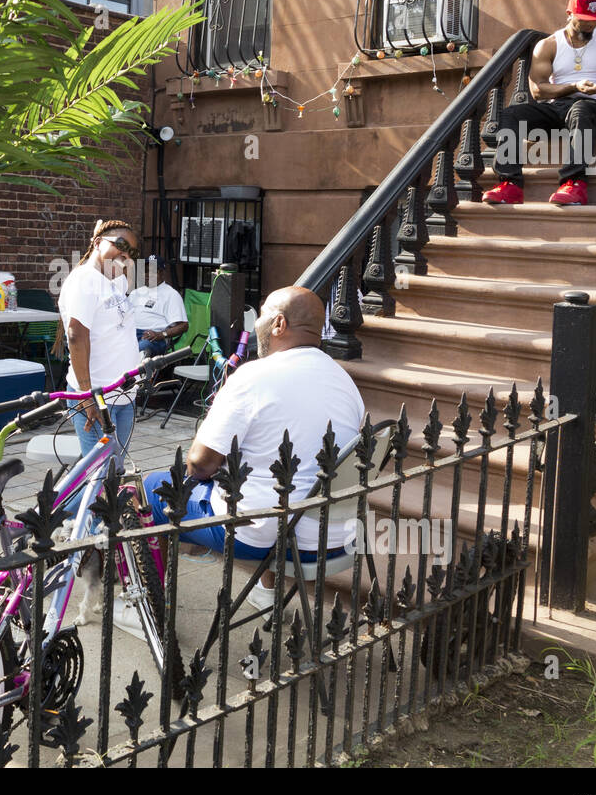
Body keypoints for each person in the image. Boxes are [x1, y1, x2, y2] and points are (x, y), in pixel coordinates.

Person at [143, 286, 366, 603]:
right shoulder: (344, 381)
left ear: (278, 324)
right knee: (269, 476)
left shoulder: (253, 376)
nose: (255, 323)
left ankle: (150, 603)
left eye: (261, 314)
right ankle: (266, 591)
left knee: (152, 489)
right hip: (337, 537)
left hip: (264, 536)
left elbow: (199, 465)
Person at [481, 0, 596, 207]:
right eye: (584, 19)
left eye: (595, 18)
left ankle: (574, 183)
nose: (591, 23)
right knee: (511, 115)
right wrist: (574, 86)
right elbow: (537, 90)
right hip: (557, 109)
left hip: (593, 111)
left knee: (581, 108)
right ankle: (510, 185)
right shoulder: (549, 45)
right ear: (569, 14)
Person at [58, 219, 142, 466]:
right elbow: (75, 336)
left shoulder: (117, 282)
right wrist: (86, 396)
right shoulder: (84, 280)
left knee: (112, 471)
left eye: (131, 253)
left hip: (123, 396)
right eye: (120, 245)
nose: (125, 255)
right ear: (97, 243)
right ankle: (61, 506)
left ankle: (68, 506)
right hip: (96, 397)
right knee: (100, 475)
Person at [129, 255, 187, 357]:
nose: (148, 274)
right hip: (129, 334)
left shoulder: (171, 294)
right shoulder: (135, 293)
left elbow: (183, 326)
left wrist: (161, 335)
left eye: (152, 271)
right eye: (146, 271)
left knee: (140, 350)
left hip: (154, 338)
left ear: (161, 273)